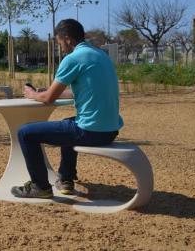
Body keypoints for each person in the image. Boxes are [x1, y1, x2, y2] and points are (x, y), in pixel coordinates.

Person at [11, 19, 123, 199]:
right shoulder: (100, 55)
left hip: (90, 132)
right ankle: (65, 178)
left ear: (68, 39)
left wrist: (33, 94)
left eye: (59, 42)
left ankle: (40, 187)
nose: (60, 47)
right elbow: (77, 91)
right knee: (66, 125)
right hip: (110, 130)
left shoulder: (73, 59)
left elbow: (48, 99)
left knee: (25, 133)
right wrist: (48, 91)